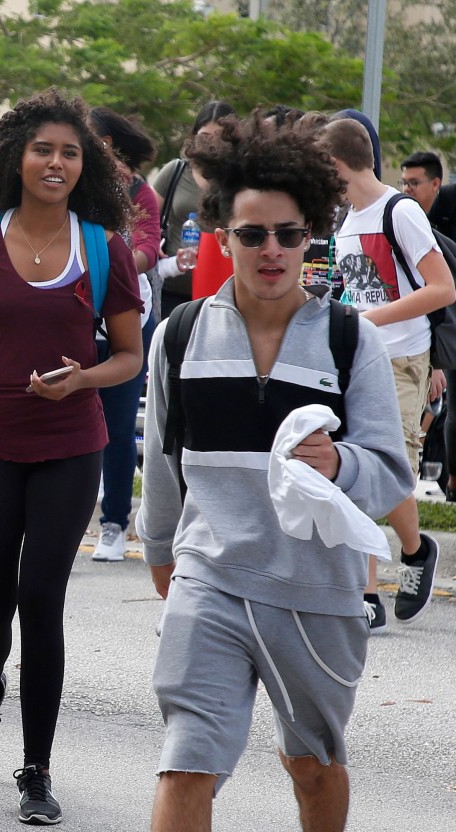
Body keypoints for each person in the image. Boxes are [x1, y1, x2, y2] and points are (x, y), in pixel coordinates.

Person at [137, 114, 413, 832]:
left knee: (313, 765)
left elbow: (389, 474)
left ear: (310, 237)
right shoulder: (182, 334)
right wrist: (164, 551)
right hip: (210, 579)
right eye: (253, 234)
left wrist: (340, 463)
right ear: (221, 235)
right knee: (186, 759)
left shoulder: (353, 342)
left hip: (316, 593)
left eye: (290, 234)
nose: (272, 250)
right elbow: (162, 461)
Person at [0, 88, 143, 825]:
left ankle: (36, 769)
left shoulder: (103, 248)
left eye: (71, 152)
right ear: (16, 156)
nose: (56, 162)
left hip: (72, 445)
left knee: (42, 601)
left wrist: (83, 378)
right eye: (44, 148)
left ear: (86, 167)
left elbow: (130, 356)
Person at [321, 117, 455, 629]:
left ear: (337, 164)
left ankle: (417, 550)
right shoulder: (345, 220)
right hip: (357, 359)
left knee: (392, 467)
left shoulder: (398, 212)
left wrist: (367, 318)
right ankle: (368, 595)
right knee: (359, 467)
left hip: (402, 358)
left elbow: (442, 288)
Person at [87, 106, 159, 562]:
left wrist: (108, 267)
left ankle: (114, 522)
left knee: (115, 425)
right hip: (71, 311)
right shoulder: (76, 187)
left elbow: (150, 248)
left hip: (126, 311)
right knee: (69, 417)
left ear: (109, 144)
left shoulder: (140, 193)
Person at [400, 151, 456, 501]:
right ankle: (451, 485)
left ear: (435, 183)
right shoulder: (412, 216)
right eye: (404, 182)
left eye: (414, 183)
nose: (407, 189)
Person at [150, 101, 236, 316]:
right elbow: (143, 217)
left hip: (224, 294)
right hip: (172, 291)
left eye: (220, 136)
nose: (212, 143)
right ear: (194, 136)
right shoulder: (176, 171)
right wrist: (149, 242)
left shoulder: (241, 178)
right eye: (205, 135)